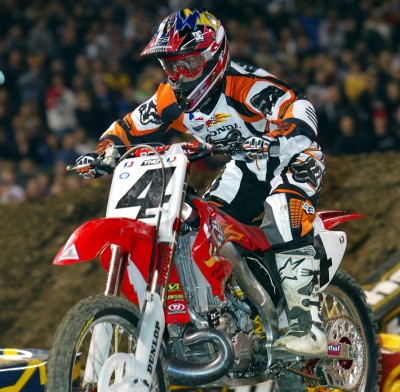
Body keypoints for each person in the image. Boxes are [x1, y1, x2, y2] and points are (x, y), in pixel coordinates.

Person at [75, 8, 326, 358]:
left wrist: (280, 135)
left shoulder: (245, 85)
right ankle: (232, 310)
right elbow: (126, 128)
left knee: (284, 211)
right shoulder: (170, 99)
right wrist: (103, 152)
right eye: (171, 66)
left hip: (292, 157)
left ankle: (307, 324)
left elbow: (300, 108)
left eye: (188, 63)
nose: (179, 75)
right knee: (206, 227)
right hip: (247, 167)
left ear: (214, 55)